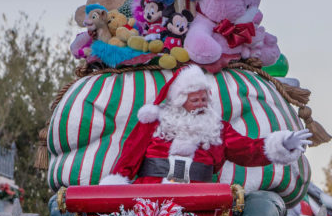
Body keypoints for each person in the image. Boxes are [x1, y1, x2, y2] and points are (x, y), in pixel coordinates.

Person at [105, 65, 310, 186]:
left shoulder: (217, 128)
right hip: (150, 196)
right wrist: (114, 190)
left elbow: (248, 149)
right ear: (179, 101)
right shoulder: (155, 123)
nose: (202, 105)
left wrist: (282, 144)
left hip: (199, 199)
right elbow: (129, 157)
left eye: (204, 99)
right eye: (195, 100)